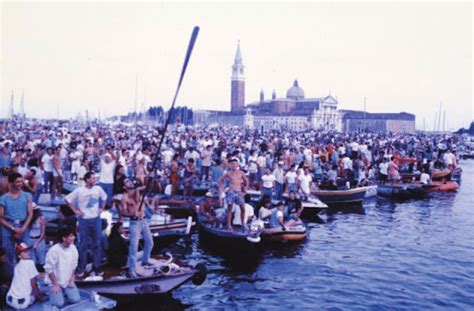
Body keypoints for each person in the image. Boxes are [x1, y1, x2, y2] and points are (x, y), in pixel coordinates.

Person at [65, 171, 107, 277]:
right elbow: (67, 199)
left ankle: (96, 266)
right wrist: (75, 211)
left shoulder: (98, 189)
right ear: (87, 179)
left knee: (97, 244)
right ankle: (82, 267)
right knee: (83, 244)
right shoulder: (79, 191)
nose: (95, 180)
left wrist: (101, 208)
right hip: (83, 220)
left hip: (96, 220)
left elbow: (104, 198)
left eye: (95, 178)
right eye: (93, 178)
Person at [120, 178, 154, 278]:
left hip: (144, 221)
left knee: (150, 242)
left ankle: (145, 260)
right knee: (133, 247)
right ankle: (132, 269)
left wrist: (150, 177)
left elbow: (148, 187)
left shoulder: (137, 191)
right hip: (134, 223)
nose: (129, 182)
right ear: (124, 187)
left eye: (129, 181)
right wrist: (133, 213)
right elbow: (123, 212)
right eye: (126, 182)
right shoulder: (124, 198)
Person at [0, 172, 34, 265]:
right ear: (11, 183)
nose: (20, 184)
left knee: (25, 252)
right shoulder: (3, 198)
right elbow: (1, 218)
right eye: (17, 182)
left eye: (21, 181)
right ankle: (9, 277)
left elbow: (30, 213)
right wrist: (13, 229)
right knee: (8, 254)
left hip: (23, 226)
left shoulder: (27, 196)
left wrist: (23, 228)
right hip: (8, 227)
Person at [44, 228, 81, 308]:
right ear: (64, 238)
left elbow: (74, 265)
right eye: (71, 236)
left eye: (73, 235)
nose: (74, 237)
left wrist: (71, 279)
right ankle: (52, 291)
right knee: (59, 304)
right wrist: (55, 284)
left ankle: (64, 292)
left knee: (75, 299)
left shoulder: (73, 248)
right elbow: (49, 269)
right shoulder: (54, 250)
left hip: (67, 281)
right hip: (54, 282)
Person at [6, 243, 43, 310]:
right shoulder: (30, 263)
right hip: (22, 303)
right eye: (25, 252)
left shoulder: (16, 266)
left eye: (28, 251)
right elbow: (33, 283)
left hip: (9, 299)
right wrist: (39, 296)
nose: (28, 252)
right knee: (38, 285)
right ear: (19, 256)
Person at [219, 158, 249, 231]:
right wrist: (223, 189)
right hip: (231, 191)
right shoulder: (228, 173)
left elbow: (246, 181)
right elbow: (220, 180)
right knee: (230, 209)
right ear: (230, 165)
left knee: (243, 208)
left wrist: (245, 191)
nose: (234, 165)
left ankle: (243, 224)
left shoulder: (241, 172)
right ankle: (229, 224)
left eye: (235, 164)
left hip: (239, 191)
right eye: (232, 164)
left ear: (238, 165)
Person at [29, 204, 46, 271]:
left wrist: (37, 243)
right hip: (30, 239)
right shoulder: (28, 218)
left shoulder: (41, 219)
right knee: (32, 259)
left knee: (41, 258)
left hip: (39, 239)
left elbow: (43, 233)